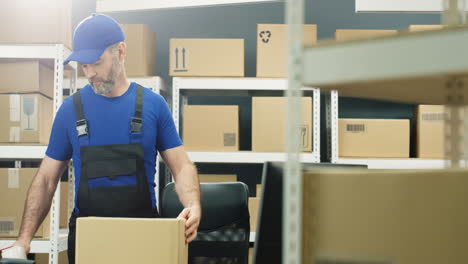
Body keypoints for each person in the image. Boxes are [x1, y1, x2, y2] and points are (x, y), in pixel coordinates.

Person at [5, 14, 201, 263]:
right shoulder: (70, 110)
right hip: (88, 241)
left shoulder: (154, 105)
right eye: (84, 66)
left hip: (142, 238)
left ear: (120, 51)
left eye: (96, 63)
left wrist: (193, 205)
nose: (90, 73)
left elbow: (182, 166)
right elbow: (45, 180)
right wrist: (24, 239)